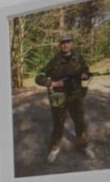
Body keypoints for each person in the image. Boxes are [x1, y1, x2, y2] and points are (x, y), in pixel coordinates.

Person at [36, 33, 94, 163]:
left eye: (68, 42)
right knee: (58, 123)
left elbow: (86, 69)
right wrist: (52, 83)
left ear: (72, 43)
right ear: (59, 45)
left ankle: (84, 146)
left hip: (75, 95)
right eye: (63, 43)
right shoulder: (53, 62)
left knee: (80, 122)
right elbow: (39, 77)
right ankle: (54, 149)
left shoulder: (79, 59)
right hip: (59, 97)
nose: (65, 45)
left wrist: (85, 74)